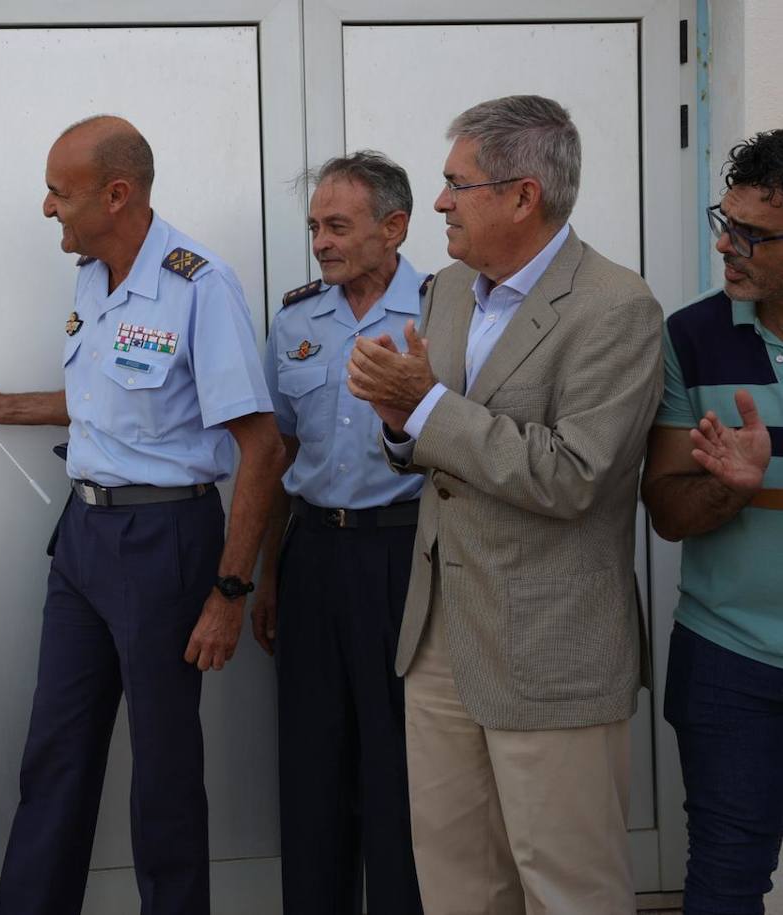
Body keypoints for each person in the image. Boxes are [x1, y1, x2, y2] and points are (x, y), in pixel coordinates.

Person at [0, 114, 284, 915]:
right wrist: (5, 404)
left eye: (61, 191)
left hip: (165, 543)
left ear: (116, 194)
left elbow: (260, 446)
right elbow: (106, 403)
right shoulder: (92, 274)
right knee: (55, 752)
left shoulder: (201, 286)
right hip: (85, 540)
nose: (48, 207)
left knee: (163, 772)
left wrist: (229, 592)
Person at [346, 94, 663, 913]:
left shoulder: (616, 307)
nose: (440, 202)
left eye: (457, 183)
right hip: (440, 635)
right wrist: (397, 427)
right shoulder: (448, 289)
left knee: (568, 887)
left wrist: (425, 411)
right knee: (457, 883)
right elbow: (439, 448)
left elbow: (575, 474)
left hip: (550, 649)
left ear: (524, 196)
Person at [252, 150, 424, 914]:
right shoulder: (295, 319)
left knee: (403, 763)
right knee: (312, 759)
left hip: (408, 554)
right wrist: (268, 573)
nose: (320, 241)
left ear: (394, 227)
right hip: (314, 553)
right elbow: (275, 453)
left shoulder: (448, 310)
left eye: (337, 225)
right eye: (314, 226)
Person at [642, 128, 783, 914]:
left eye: (753, 235)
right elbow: (664, 508)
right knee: (726, 879)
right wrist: (731, 487)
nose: (727, 246)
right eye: (723, 222)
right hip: (729, 660)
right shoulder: (690, 337)